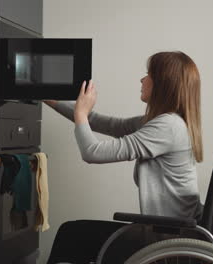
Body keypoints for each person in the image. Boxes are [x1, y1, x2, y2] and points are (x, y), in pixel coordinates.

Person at [45, 51, 204, 264]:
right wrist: (50, 100)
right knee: (73, 233)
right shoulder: (165, 122)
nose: (142, 79)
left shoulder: (167, 127)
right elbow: (104, 123)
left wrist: (81, 114)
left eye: (148, 74)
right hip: (167, 233)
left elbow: (92, 152)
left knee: (71, 235)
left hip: (164, 240)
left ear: (163, 83)